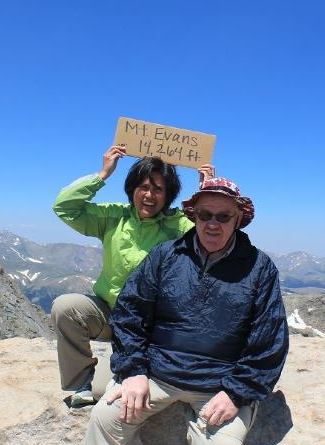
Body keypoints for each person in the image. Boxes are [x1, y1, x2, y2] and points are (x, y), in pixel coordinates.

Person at [82, 177, 289, 445]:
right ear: (194, 216)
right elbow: (131, 312)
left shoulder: (259, 267)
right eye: (205, 215)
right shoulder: (165, 255)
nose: (212, 223)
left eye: (223, 216)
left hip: (219, 383)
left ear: (238, 218)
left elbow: (269, 338)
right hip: (157, 372)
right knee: (106, 418)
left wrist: (236, 394)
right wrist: (133, 371)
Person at [50, 144, 214, 406]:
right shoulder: (114, 217)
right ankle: (80, 379)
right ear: (132, 189)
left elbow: (210, 232)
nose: (149, 195)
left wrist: (207, 192)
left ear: (168, 195)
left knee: (103, 393)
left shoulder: (178, 224)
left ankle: (110, 367)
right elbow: (65, 207)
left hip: (151, 326)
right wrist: (103, 174)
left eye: (158, 189)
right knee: (66, 307)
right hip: (110, 312)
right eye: (144, 187)